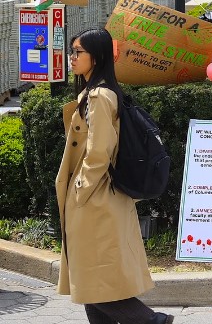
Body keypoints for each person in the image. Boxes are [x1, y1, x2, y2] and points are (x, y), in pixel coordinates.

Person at [58, 29, 174, 324]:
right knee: (93, 281)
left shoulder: (98, 96)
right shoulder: (97, 93)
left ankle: (152, 321)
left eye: (77, 52)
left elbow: (99, 153)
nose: (72, 58)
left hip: (95, 199)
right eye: (72, 51)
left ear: (95, 58)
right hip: (101, 197)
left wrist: (80, 190)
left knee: (96, 283)